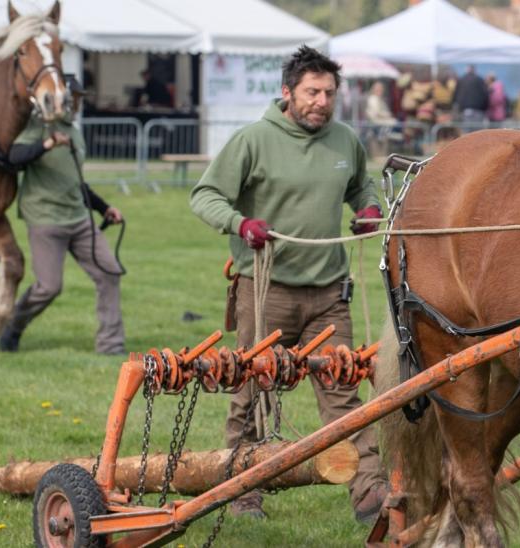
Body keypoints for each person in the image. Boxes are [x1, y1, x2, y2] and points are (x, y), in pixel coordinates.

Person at [189, 46, 386, 523]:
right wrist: (240, 224)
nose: (321, 100)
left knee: (343, 387)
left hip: (329, 292)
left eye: (329, 93)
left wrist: (367, 209)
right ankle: (243, 489)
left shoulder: (345, 141)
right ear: (287, 93)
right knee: (252, 391)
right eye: (312, 92)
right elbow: (205, 195)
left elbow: (361, 186)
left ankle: (370, 490)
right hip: (265, 288)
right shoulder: (253, 139)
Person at [0, 76, 125, 355]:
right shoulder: (37, 126)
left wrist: (104, 208)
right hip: (45, 218)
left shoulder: (74, 131)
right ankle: (13, 327)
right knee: (48, 287)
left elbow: (75, 180)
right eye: (76, 97)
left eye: (80, 97)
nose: (79, 102)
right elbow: (14, 157)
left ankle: (111, 345)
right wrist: (47, 144)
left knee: (109, 272)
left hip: (79, 219)